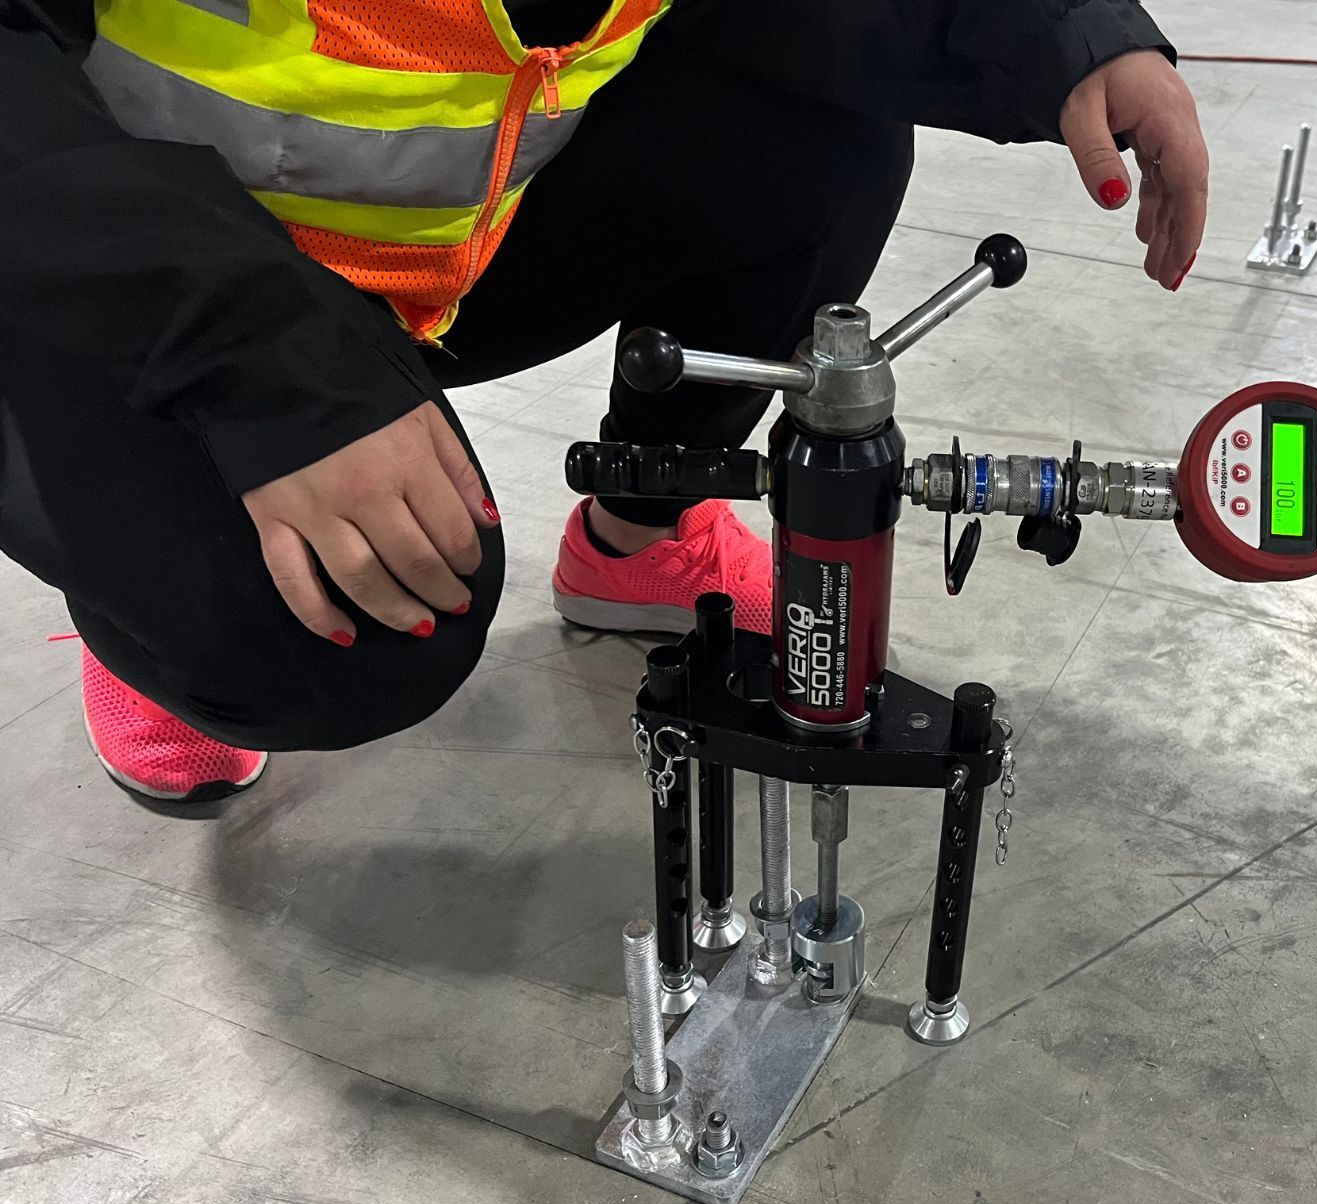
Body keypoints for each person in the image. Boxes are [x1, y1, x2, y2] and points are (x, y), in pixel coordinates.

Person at [0, 0, 1210, 801]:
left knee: (823, 132)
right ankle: (145, 605)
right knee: (349, 635)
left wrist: (1067, 37)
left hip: (433, 254)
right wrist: (256, 359)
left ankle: (638, 535)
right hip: (124, 276)